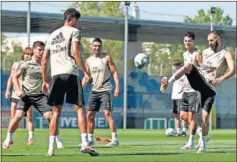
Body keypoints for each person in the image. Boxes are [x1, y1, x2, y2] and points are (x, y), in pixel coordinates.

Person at [160, 30, 235, 153]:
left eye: (212, 40)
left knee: (205, 118)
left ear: (219, 39)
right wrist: (199, 68)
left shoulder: (226, 54)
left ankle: (203, 142)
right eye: (208, 41)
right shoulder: (204, 52)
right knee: (188, 66)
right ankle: (169, 82)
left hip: (210, 88)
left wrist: (221, 77)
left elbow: (233, 70)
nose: (209, 43)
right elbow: (200, 66)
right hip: (200, 82)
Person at [41, 8, 99, 156]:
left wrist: (45, 80)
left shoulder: (52, 35)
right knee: (79, 109)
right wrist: (85, 72)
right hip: (71, 73)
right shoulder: (74, 32)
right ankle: (85, 143)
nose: (78, 24)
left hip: (56, 76)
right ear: (72, 19)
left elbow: (44, 60)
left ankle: (51, 149)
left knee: (56, 112)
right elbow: (75, 52)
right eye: (77, 21)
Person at [2, 41, 63, 152]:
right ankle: (8, 138)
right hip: (26, 96)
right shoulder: (26, 64)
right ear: (34, 50)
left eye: (43, 50)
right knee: (18, 116)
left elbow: (48, 78)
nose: (41, 52)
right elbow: (14, 77)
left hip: (39, 96)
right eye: (39, 50)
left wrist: (50, 85)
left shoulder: (45, 64)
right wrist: (19, 91)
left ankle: (57, 138)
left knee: (51, 116)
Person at [82, 38, 120, 146]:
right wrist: (79, 89)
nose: (97, 47)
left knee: (107, 113)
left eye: (99, 46)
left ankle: (115, 140)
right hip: (94, 91)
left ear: (101, 47)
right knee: (89, 115)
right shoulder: (88, 61)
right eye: (95, 46)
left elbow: (115, 73)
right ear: (91, 47)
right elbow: (86, 78)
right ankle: (90, 139)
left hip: (106, 90)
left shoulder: (106, 58)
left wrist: (117, 87)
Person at [5, 47, 35, 145]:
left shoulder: (34, 66)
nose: (28, 56)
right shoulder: (16, 64)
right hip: (16, 93)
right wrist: (8, 90)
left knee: (29, 117)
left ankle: (30, 138)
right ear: (23, 54)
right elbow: (11, 78)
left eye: (30, 54)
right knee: (14, 117)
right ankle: (10, 138)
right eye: (26, 54)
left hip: (27, 95)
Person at [179, 32, 204, 150]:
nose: (187, 43)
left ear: (193, 41)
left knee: (192, 116)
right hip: (186, 89)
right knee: (184, 116)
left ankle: (191, 142)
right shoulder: (184, 54)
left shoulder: (197, 54)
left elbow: (202, 68)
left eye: (189, 41)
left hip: (195, 89)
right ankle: (201, 133)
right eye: (185, 41)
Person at [170, 60, 187, 137]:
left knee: (183, 115)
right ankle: (178, 131)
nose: (175, 67)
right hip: (174, 96)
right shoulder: (173, 75)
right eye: (174, 65)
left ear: (180, 65)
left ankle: (184, 130)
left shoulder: (184, 74)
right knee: (176, 115)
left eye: (176, 65)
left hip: (182, 96)